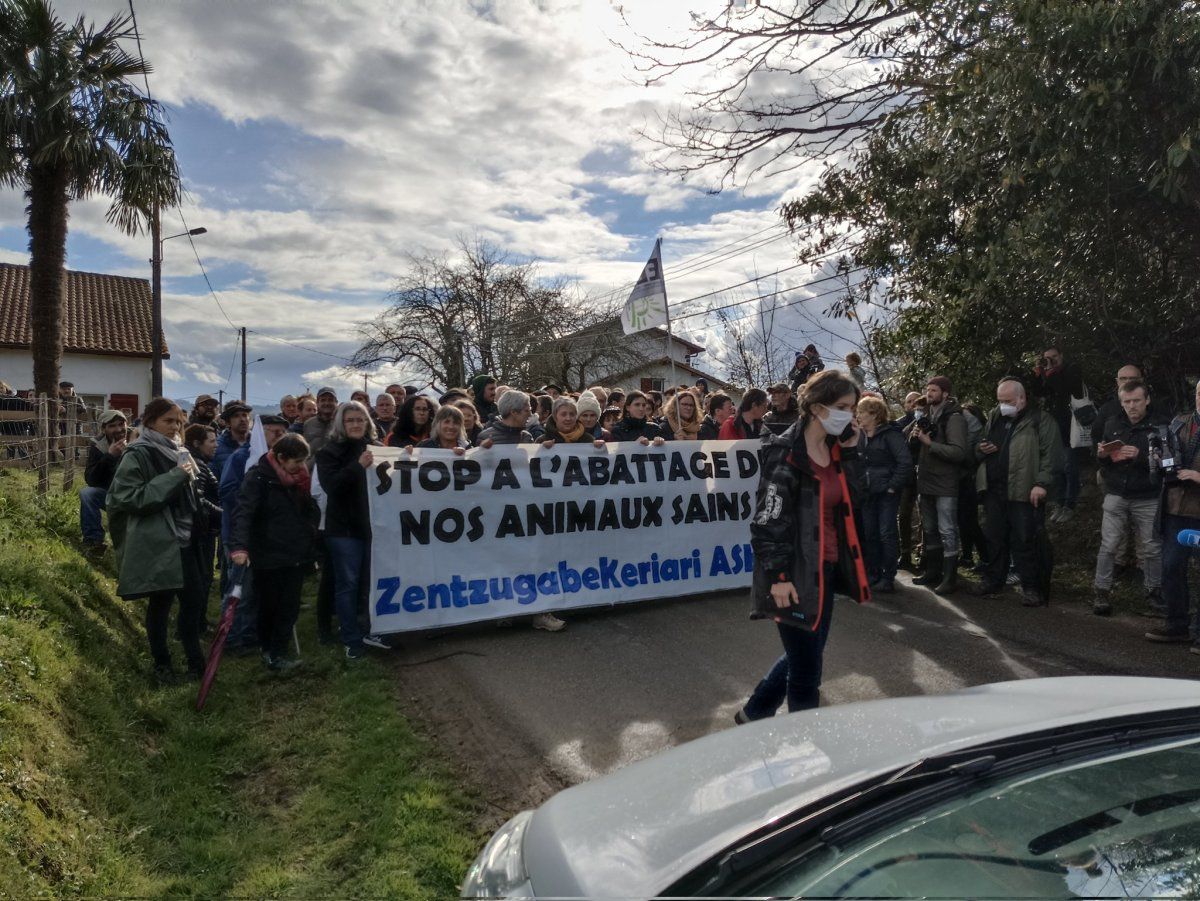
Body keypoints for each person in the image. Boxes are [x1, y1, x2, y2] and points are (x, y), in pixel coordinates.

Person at [736, 370, 869, 721]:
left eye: (852, 408)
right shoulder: (785, 453)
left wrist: (853, 454)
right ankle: (806, 736)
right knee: (808, 671)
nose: (849, 416)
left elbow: (853, 502)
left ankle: (755, 711)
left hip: (825, 569)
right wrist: (779, 575)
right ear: (816, 406)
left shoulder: (838, 450)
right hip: (792, 572)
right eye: (842, 407)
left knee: (807, 653)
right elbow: (768, 520)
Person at [107, 398, 207, 683]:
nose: (175, 427)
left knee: (194, 601)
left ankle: (195, 663)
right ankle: (162, 665)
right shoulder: (138, 454)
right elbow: (128, 497)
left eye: (178, 422)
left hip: (186, 539)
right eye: (168, 421)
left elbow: (192, 494)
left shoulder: (180, 451)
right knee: (161, 605)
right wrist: (175, 476)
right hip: (159, 542)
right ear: (150, 422)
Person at [229, 433, 319, 670]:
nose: (302, 467)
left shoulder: (299, 480)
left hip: (296, 551)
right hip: (269, 553)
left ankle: (278, 649)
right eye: (297, 461)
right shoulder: (258, 478)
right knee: (271, 606)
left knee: (289, 606)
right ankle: (270, 651)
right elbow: (243, 513)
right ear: (280, 458)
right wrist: (239, 546)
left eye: (304, 461)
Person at [972, 379, 1062, 607]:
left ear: (1022, 398)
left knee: (1025, 541)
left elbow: (1051, 456)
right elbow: (978, 443)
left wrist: (1042, 483)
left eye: (1009, 401)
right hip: (995, 490)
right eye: (1000, 401)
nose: (1003, 406)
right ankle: (993, 580)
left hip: (1024, 491)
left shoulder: (1040, 420)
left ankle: (1032, 587)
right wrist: (981, 449)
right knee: (995, 538)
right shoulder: (994, 417)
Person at [316, 401, 392, 659]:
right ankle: (351, 639)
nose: (357, 424)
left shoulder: (379, 449)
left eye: (361, 419)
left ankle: (371, 629)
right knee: (347, 585)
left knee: (371, 583)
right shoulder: (328, 453)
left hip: (374, 529)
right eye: (351, 420)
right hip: (344, 531)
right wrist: (357, 466)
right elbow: (332, 487)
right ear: (341, 424)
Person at [1090, 380, 1168, 616]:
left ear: (1147, 400)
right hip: (1116, 492)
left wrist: (1141, 456)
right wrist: (1104, 456)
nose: (1132, 406)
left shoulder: (1160, 426)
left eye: (1136, 401)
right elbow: (1102, 459)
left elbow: (1168, 464)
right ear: (1121, 402)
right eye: (1127, 402)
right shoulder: (1113, 423)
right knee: (1109, 545)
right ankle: (1101, 592)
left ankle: (1154, 593)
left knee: (1152, 547)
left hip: (1148, 495)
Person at [218, 414, 293, 650]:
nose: (279, 437)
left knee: (259, 589)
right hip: (241, 535)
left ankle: (250, 634)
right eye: (275, 433)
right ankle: (232, 636)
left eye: (283, 433)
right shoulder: (242, 457)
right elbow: (227, 491)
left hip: (268, 535)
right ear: (262, 432)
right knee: (241, 589)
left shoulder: (280, 460)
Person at [1145, 378, 1200, 651]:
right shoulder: (1180, 422)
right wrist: (1156, 459)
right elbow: (1162, 460)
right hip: (1176, 509)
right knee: (1171, 568)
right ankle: (1177, 624)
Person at [910, 376, 968, 593]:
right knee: (930, 528)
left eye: (934, 390)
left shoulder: (954, 418)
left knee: (947, 529)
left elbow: (959, 452)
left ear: (945, 393)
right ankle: (933, 571)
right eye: (928, 389)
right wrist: (915, 437)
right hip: (925, 480)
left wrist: (930, 444)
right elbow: (916, 448)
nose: (930, 393)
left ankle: (950, 577)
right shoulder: (925, 415)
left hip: (945, 483)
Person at [857, 395, 913, 593]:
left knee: (886, 534)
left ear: (874, 414)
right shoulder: (861, 436)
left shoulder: (891, 434)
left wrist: (892, 486)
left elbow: (905, 462)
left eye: (862, 413)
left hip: (886, 493)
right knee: (870, 534)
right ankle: (873, 573)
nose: (858, 417)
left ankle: (888, 576)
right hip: (867, 493)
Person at [1030, 345, 1086, 523]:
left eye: (1054, 357)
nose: (1051, 361)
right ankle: (1059, 503)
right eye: (1047, 358)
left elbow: (1064, 389)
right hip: (1053, 425)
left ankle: (1070, 504)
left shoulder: (1071, 369)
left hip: (1070, 424)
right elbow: (1039, 392)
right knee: (1055, 466)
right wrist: (1039, 374)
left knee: (1069, 465)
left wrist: (1051, 372)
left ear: (1061, 355)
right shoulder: (1049, 373)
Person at [182, 423, 222, 622]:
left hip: (203, 529)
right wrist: (223, 514)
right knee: (202, 578)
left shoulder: (198, 462)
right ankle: (197, 623)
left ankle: (199, 621)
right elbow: (199, 501)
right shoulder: (196, 466)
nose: (216, 445)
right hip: (201, 532)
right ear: (197, 443)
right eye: (212, 441)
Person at [79, 409, 130, 551]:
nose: (119, 429)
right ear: (104, 429)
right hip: (112, 494)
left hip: (137, 494)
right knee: (87, 494)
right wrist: (109, 457)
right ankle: (93, 541)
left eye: (121, 424)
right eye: (112, 426)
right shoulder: (98, 445)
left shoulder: (137, 438)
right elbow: (91, 479)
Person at [212, 401, 252, 479]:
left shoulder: (258, 444)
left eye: (245, 415)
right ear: (228, 423)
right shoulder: (218, 447)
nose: (242, 419)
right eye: (236, 416)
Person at [303, 387, 338, 457]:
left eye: (330, 400)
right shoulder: (308, 424)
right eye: (323, 400)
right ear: (317, 403)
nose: (327, 403)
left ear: (336, 402)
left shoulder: (342, 423)